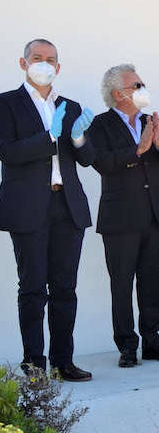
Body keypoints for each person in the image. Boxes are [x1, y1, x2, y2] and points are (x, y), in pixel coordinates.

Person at [0, 39, 95, 381]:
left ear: (59, 67)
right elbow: (7, 153)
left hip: (67, 206)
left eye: (50, 59)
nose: (44, 63)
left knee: (65, 288)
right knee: (33, 288)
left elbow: (87, 159)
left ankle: (63, 361)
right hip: (28, 207)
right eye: (37, 58)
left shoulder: (70, 106)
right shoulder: (6, 104)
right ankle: (34, 365)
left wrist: (80, 137)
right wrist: (49, 138)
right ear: (23, 63)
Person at [88, 64, 159, 368]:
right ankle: (127, 346)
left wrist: (158, 144)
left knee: (153, 280)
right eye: (136, 85)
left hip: (157, 214)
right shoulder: (100, 125)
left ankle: (152, 341)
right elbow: (100, 162)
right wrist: (137, 151)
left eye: (142, 84)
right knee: (122, 283)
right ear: (118, 93)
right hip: (121, 218)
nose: (143, 89)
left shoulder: (151, 121)